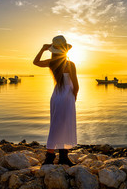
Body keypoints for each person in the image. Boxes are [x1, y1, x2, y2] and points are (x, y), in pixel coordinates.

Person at [33, 35, 79, 166]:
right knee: (65, 124)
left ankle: (52, 156)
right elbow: (76, 85)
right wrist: (74, 97)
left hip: (56, 96)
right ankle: (61, 157)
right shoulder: (71, 65)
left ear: (53, 50)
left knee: (56, 125)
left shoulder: (51, 63)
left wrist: (42, 49)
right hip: (68, 97)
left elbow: (35, 62)